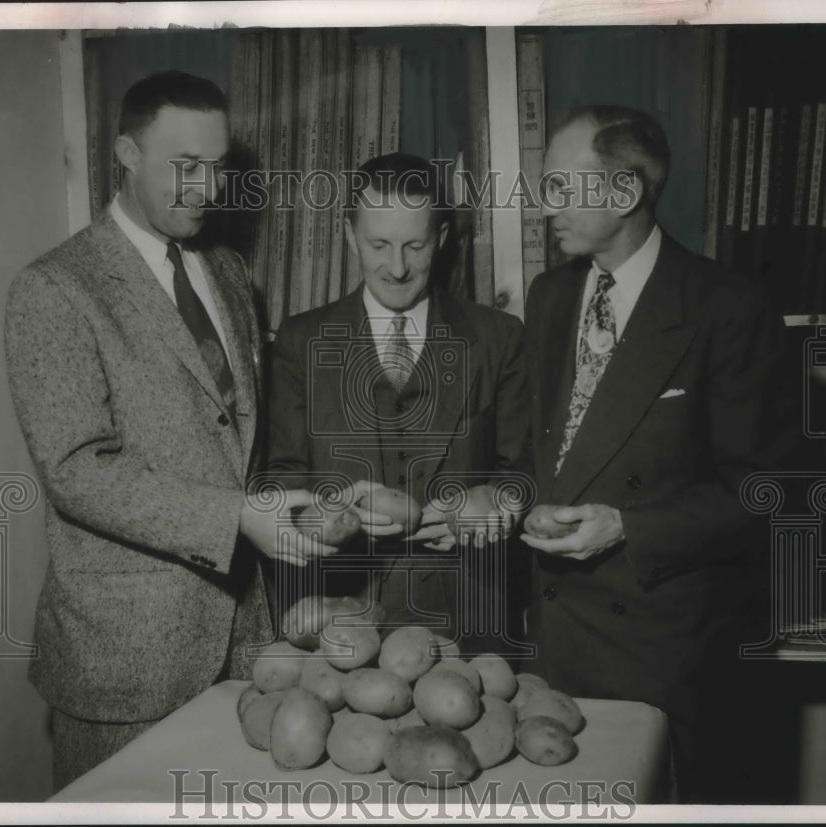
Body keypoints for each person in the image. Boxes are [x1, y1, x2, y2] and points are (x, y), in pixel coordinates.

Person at [5, 70, 333, 791]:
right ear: (125, 152)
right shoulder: (56, 289)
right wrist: (236, 517)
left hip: (247, 643)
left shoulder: (228, 270)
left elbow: (235, 442)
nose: (206, 188)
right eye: (184, 166)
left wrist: (308, 501)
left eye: (217, 166)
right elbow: (76, 471)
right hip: (125, 660)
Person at [519, 106, 797, 795]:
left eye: (560, 186)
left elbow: (767, 490)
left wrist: (627, 524)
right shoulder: (550, 295)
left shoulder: (728, 306)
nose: (540, 204)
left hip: (659, 651)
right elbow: (549, 449)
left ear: (624, 193)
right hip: (552, 640)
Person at [266, 152, 531, 653]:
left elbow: (522, 474)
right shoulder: (300, 342)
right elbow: (283, 476)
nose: (397, 267)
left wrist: (493, 506)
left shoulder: (499, 338)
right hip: (337, 615)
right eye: (378, 244)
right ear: (349, 236)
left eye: (415, 245)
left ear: (443, 239)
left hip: (471, 617)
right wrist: (328, 516)